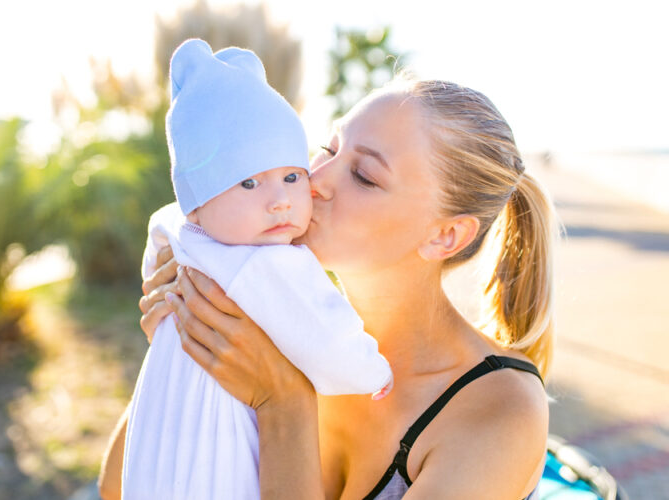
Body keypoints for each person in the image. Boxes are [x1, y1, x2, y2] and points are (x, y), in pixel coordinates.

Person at [100, 76, 557, 499]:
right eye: (328, 147)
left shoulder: (500, 411)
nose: (315, 181)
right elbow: (118, 488)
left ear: (445, 236)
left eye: (364, 176)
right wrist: (178, 339)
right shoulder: (278, 328)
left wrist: (283, 404)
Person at [119, 38, 393, 500]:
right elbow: (325, 334)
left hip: (157, 430)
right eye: (248, 182)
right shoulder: (270, 262)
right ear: (198, 206)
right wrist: (371, 372)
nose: (280, 200)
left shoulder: (181, 229)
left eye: (292, 176)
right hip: (216, 444)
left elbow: (157, 241)